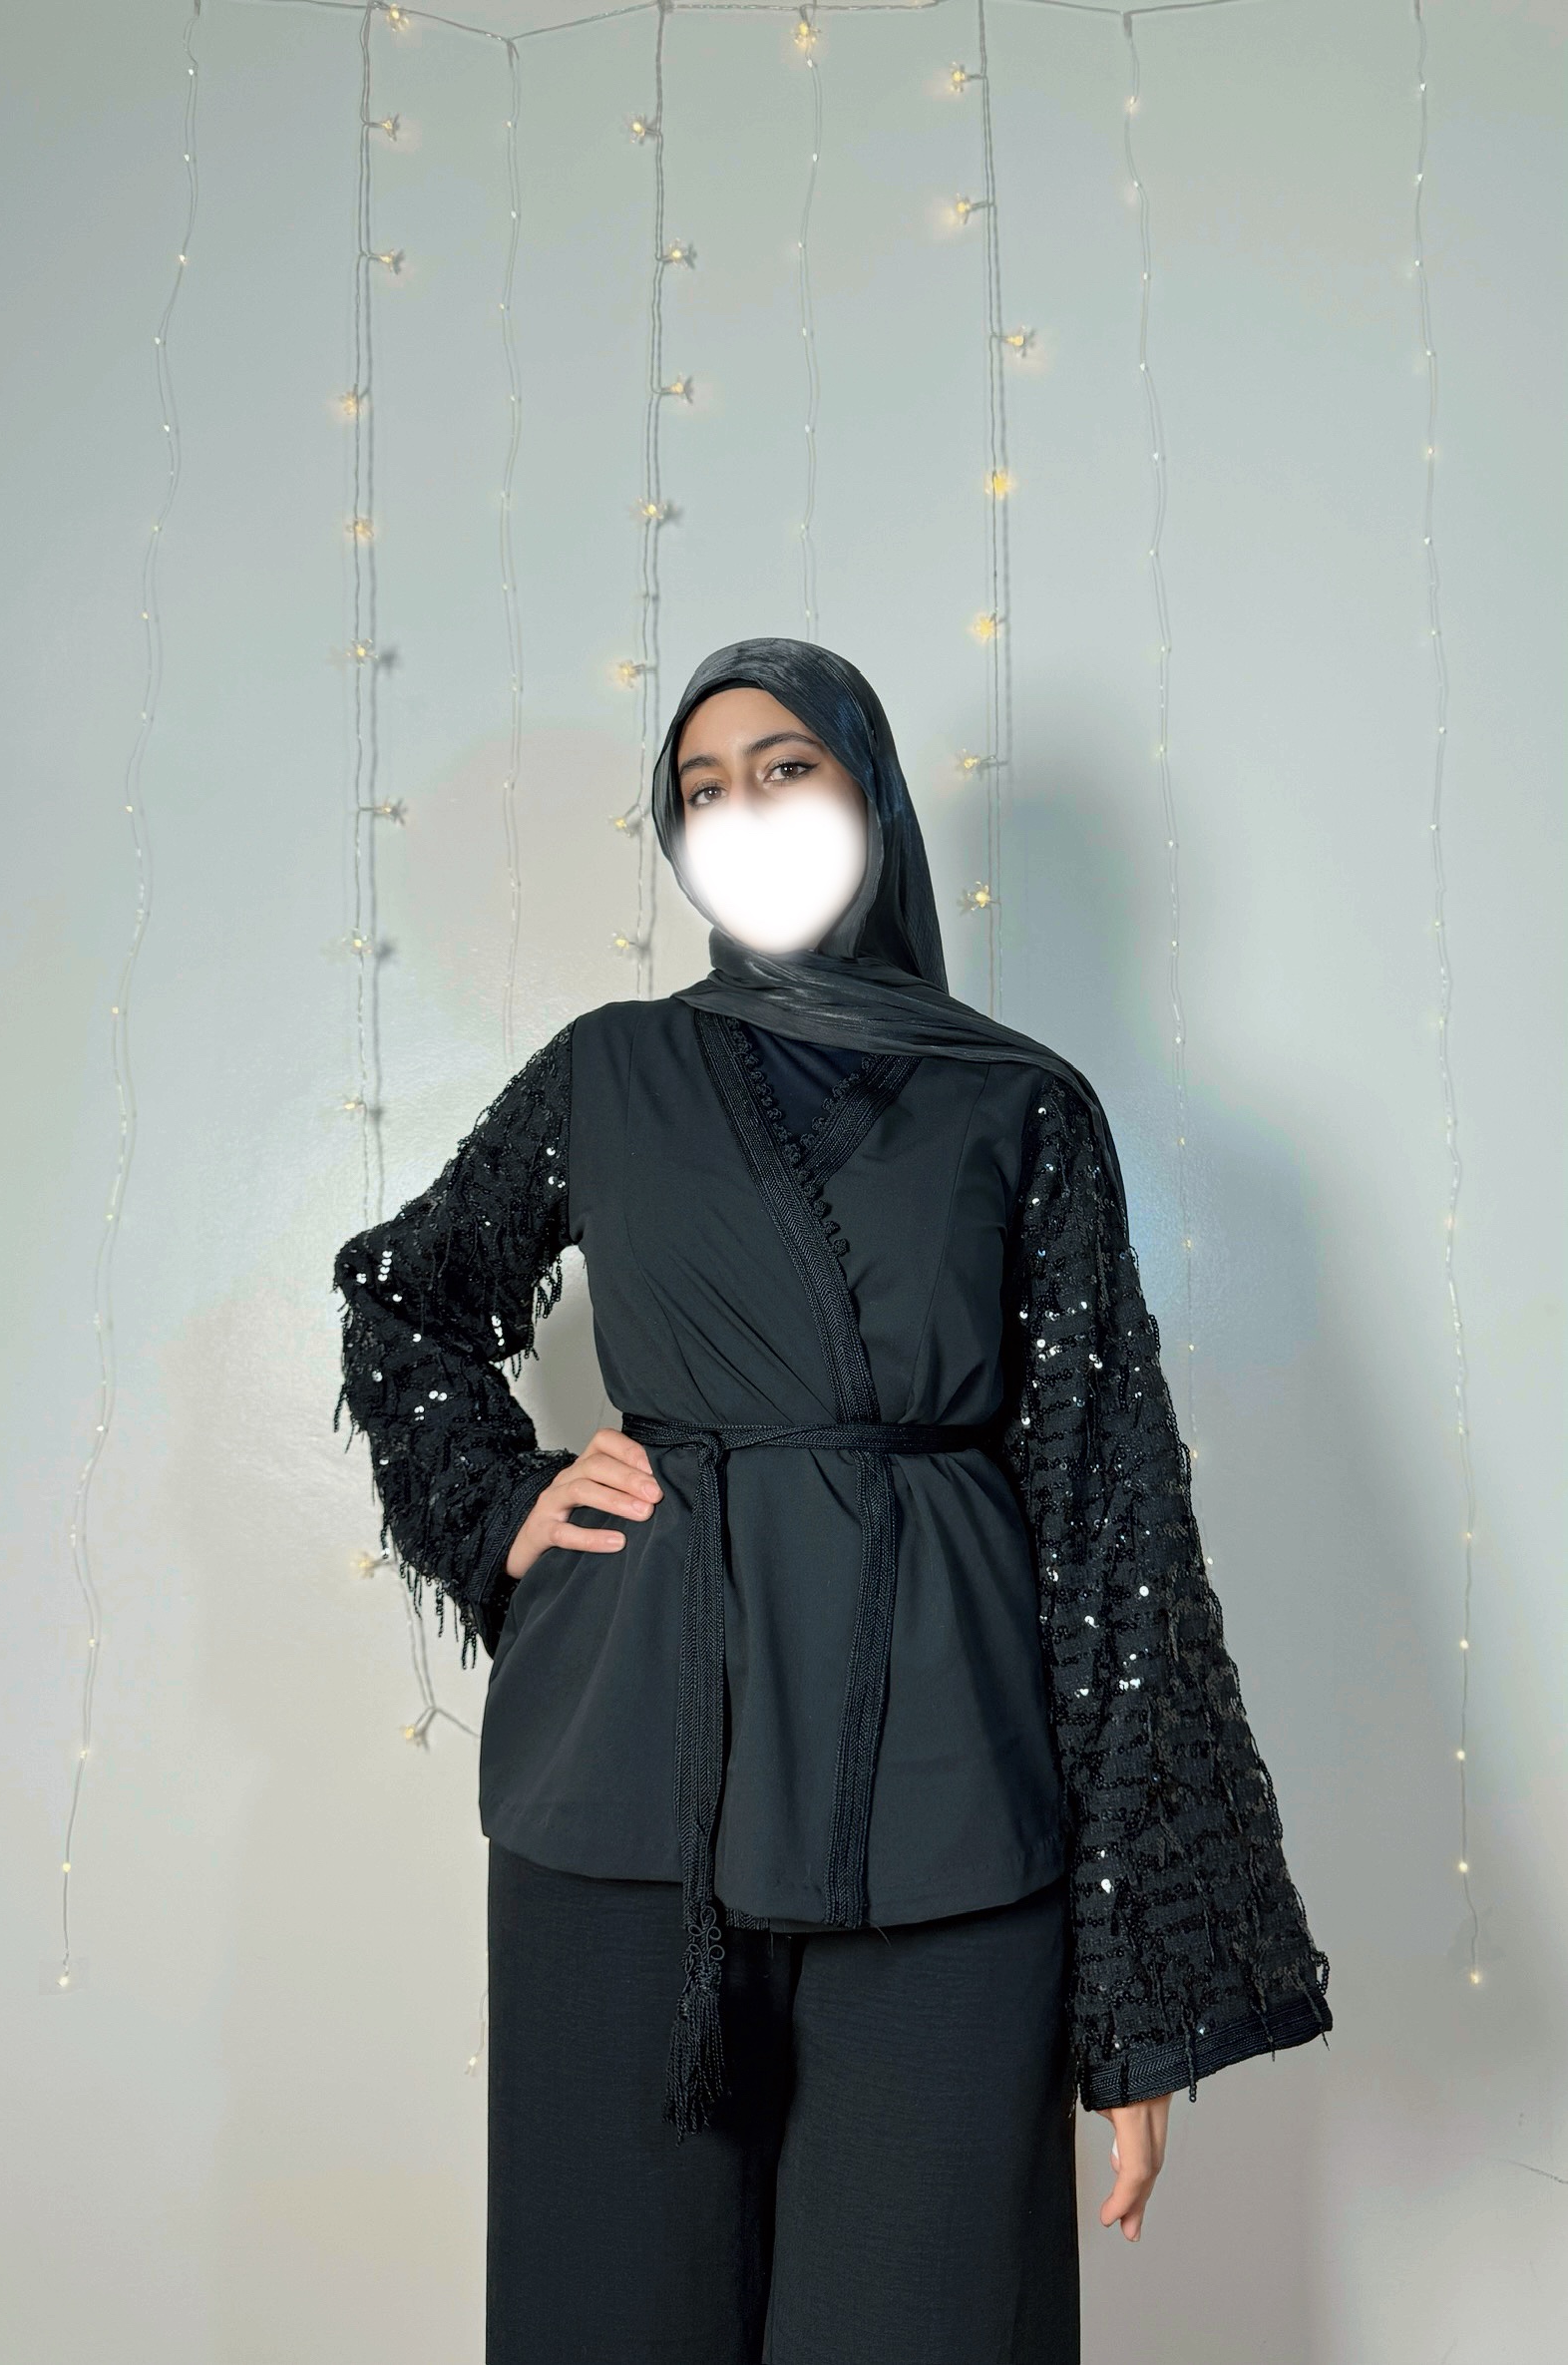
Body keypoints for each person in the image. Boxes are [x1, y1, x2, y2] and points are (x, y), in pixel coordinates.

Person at [331, 637, 1332, 2365]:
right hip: (631, 1779)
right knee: (611, 2319)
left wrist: (1136, 2001)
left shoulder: (1017, 1102)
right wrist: (502, 1501)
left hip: (944, 1792)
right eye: (701, 789)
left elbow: (1108, 1517)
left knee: (922, 2317)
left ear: (870, 797)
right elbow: (401, 1291)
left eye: (785, 767)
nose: (744, 810)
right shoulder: (607, 1071)